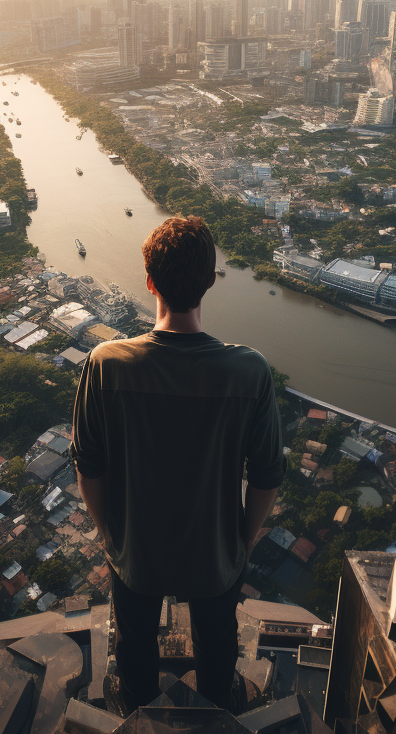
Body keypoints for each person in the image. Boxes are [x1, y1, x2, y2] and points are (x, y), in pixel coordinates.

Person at [72, 215, 284, 713]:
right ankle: (216, 713)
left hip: (137, 555)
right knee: (217, 652)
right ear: (210, 282)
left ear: (149, 281)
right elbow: (267, 475)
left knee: (134, 650)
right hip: (215, 555)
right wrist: (242, 541)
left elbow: (89, 468)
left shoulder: (106, 364)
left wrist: (111, 536)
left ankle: (140, 711)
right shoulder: (248, 371)